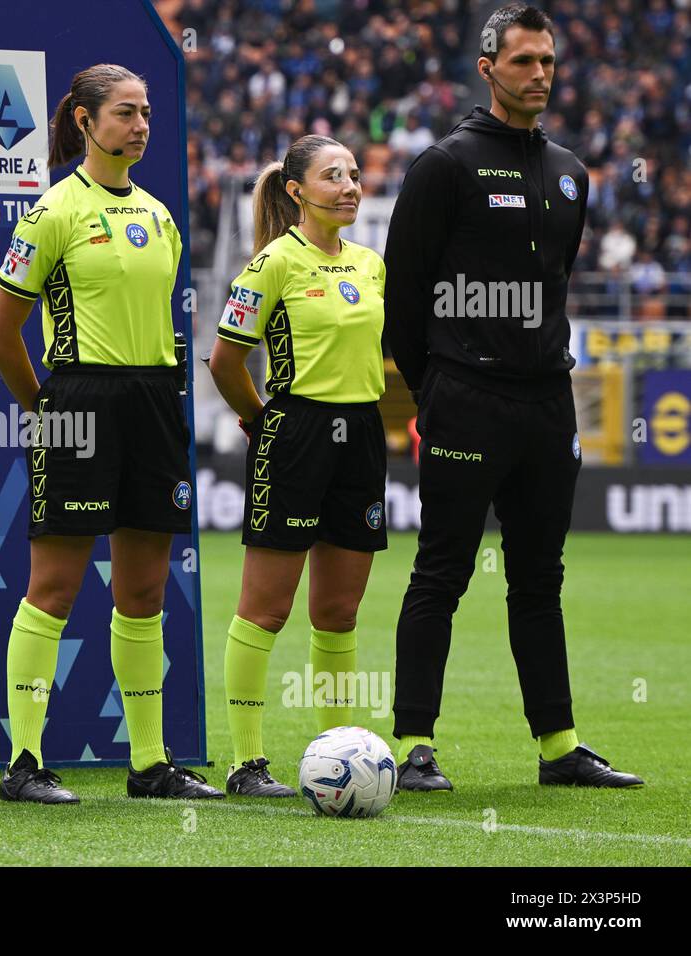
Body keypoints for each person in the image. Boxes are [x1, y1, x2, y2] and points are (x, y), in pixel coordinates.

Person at [384, 3, 642, 790]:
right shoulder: (445, 165)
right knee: (443, 571)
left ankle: (559, 747)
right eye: (524, 61)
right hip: (465, 397)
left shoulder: (571, 171)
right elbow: (404, 301)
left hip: (546, 404)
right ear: (488, 67)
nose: (540, 75)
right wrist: (437, 387)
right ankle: (412, 746)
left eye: (549, 62)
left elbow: (556, 286)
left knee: (540, 578)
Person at [0, 63, 222, 803]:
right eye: (125, 112)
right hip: (79, 398)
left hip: (155, 401)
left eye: (146, 112)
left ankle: (149, 764)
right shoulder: (52, 210)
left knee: (146, 591)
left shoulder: (159, 215)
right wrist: (47, 408)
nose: (141, 124)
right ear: (85, 121)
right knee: (53, 586)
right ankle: (24, 763)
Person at [208, 135, 388, 797]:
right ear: (295, 191)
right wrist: (261, 421)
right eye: (332, 176)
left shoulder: (372, 265)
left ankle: (339, 758)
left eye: (353, 175)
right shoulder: (272, 264)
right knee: (265, 609)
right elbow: (226, 362)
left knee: (339, 612)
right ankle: (246, 764)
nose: (348, 186)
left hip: (363, 436)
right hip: (294, 432)